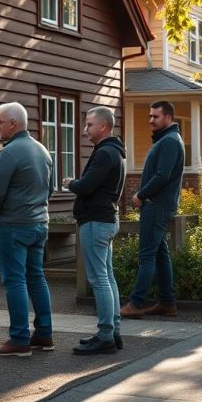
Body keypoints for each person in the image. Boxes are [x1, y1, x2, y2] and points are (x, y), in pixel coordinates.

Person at [0, 102, 55, 357]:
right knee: (36, 277)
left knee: (14, 281)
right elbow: (50, 189)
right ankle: (44, 334)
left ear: (13, 123)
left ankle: (19, 339)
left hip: (14, 225)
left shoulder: (9, 153)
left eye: (0, 122)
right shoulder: (43, 151)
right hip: (40, 224)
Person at [64, 106, 126, 355]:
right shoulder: (114, 151)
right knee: (107, 276)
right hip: (106, 219)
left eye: (89, 125)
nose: (85, 129)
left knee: (99, 278)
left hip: (96, 221)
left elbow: (88, 185)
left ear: (103, 126)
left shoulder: (105, 153)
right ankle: (113, 331)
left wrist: (71, 184)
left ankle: (105, 335)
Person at [120, 101, 185, 319]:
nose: (150, 120)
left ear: (168, 118)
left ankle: (136, 303)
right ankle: (167, 302)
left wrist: (141, 194)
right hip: (159, 205)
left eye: (155, 116)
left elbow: (162, 175)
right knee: (159, 254)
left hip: (156, 206)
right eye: (150, 116)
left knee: (146, 255)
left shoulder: (169, 142)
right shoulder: (167, 140)